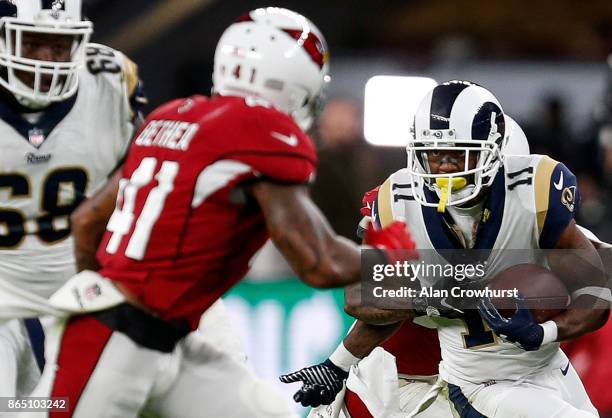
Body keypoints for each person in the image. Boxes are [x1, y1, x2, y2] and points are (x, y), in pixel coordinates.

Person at [26, 7, 413, 418]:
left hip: (169, 337)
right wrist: (389, 260)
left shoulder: (169, 116)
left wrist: (100, 287)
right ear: (295, 82)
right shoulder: (264, 133)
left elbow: (87, 222)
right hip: (117, 334)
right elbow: (318, 263)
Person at [282, 81, 610, 418]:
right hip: (408, 378)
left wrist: (544, 330)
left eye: (460, 156)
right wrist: (339, 364)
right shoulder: (403, 208)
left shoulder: (538, 209)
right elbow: (363, 296)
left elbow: (599, 284)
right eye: (436, 156)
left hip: (519, 371)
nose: (446, 170)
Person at [0, 0, 146, 398]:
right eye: (32, 43)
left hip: (86, 285)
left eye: (59, 45)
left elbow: (151, 167)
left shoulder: (111, 81)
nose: (47, 60)